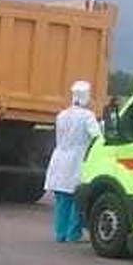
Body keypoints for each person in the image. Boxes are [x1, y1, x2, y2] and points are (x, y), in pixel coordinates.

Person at [44, 79, 102, 243]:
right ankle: (73, 233)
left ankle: (60, 233)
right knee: (77, 198)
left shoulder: (61, 115)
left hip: (60, 157)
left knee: (62, 199)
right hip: (77, 159)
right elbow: (97, 136)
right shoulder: (87, 116)